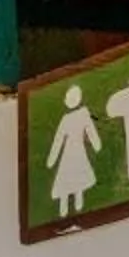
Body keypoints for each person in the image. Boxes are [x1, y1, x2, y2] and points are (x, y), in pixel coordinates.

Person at [46, 85, 104, 215]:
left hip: (74, 151)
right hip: (74, 152)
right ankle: (67, 205)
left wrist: (96, 143)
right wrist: (96, 144)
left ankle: (73, 203)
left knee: (75, 174)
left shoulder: (79, 115)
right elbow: (58, 139)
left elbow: (89, 130)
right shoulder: (69, 118)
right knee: (72, 174)